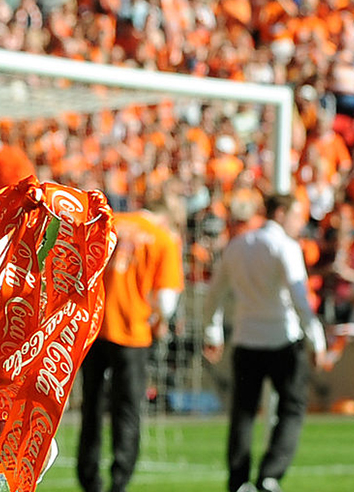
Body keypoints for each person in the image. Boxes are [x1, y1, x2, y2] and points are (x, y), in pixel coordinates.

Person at [203, 193, 328, 492]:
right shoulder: (285, 247)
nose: (300, 222)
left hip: (247, 341)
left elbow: (214, 294)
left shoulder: (237, 246)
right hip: (283, 340)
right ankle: (271, 474)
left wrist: (212, 332)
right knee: (293, 408)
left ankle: (238, 480)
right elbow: (300, 299)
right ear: (282, 213)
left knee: (243, 412)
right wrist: (317, 341)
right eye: (297, 215)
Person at [76, 199, 184, 492]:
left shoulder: (112, 221)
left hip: (94, 325)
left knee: (92, 404)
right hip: (132, 329)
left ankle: (88, 475)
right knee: (127, 407)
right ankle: (120, 476)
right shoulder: (163, 239)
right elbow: (166, 298)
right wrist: (160, 321)